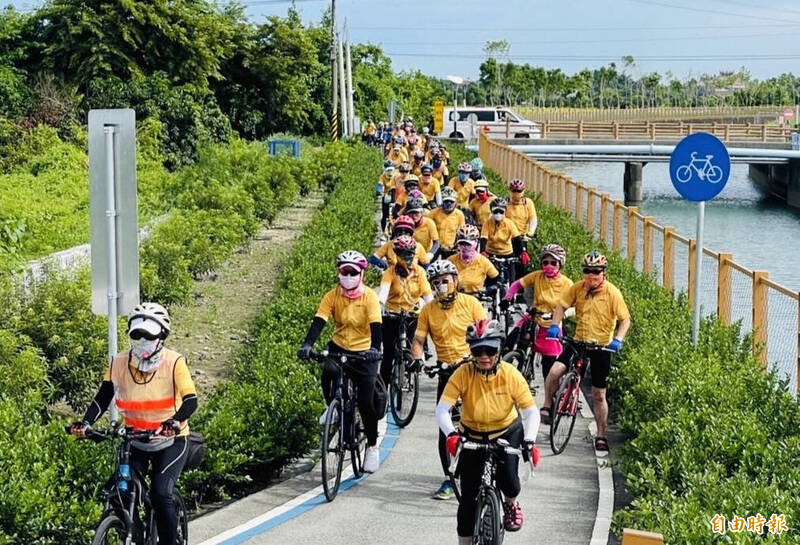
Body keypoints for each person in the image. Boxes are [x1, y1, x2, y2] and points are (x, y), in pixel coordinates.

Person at [70, 303, 198, 545]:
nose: (141, 340)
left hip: (170, 440)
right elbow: (103, 397)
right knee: (119, 492)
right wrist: (86, 423)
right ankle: (135, 535)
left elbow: (191, 401)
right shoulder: (119, 362)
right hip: (136, 440)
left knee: (160, 493)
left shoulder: (174, 362)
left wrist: (175, 421)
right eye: (136, 335)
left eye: (148, 335)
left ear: (162, 336)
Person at [436, 318, 540, 541]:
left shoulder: (511, 374)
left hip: (506, 431)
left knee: (510, 481)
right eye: (478, 351)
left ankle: (511, 504)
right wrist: (452, 434)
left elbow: (531, 412)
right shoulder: (463, 373)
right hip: (471, 434)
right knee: (467, 503)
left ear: (499, 349)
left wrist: (529, 441)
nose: (484, 357)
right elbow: (442, 410)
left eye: (490, 351)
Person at [298, 251, 384, 472]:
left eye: (352, 272)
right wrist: (307, 345)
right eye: (343, 272)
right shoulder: (332, 295)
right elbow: (319, 321)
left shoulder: (369, 298)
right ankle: (332, 406)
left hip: (364, 353)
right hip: (339, 346)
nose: (347, 276)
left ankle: (372, 447)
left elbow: (376, 326)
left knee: (366, 403)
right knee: (327, 372)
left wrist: (375, 349)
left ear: (361, 274)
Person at [411, 260, 487, 500]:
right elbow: (418, 342)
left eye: (446, 280)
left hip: (472, 371)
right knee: (445, 428)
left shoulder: (471, 304)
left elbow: (486, 332)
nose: (442, 285)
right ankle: (449, 477)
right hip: (447, 372)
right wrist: (418, 360)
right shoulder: (428, 311)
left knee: (482, 421)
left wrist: (479, 356)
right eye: (436, 283)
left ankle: (485, 468)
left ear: (455, 280)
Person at [544, 251, 631, 453]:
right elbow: (561, 306)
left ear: (603, 273)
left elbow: (625, 319)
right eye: (587, 271)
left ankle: (601, 435)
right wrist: (556, 324)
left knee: (599, 395)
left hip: (601, 346)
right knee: (555, 372)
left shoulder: (612, 293)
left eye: (595, 272)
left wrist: (618, 339)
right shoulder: (577, 288)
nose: (590, 276)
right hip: (578, 342)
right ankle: (548, 406)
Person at [503, 244, 573, 382]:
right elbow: (517, 284)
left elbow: (575, 306)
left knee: (549, 368)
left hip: (552, 325)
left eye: (553, 263)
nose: (549, 266)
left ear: (560, 264)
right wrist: (508, 298)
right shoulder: (537, 276)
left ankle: (551, 397)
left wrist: (563, 314)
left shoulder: (567, 283)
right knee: (510, 341)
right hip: (534, 318)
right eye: (545, 262)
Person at [377, 236, 433, 386]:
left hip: (412, 314)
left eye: (410, 254)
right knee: (388, 354)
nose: (407, 257)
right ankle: (383, 390)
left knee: (412, 345)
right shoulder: (390, 273)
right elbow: (383, 292)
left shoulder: (419, 272)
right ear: (396, 254)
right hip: (392, 314)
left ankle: (412, 371)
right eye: (403, 254)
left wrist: (434, 310)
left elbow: (428, 296)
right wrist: (380, 304)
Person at [479, 198, 529, 284]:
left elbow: (517, 238)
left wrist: (523, 252)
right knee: (489, 281)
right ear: (491, 211)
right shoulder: (487, 223)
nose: (498, 214)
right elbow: (483, 238)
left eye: (501, 211)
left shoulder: (509, 223)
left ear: (505, 211)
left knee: (512, 280)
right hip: (491, 253)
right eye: (495, 211)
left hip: (507, 254)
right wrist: (483, 251)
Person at [447, 224, 499, 294]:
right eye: (461, 244)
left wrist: (488, 289)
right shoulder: (450, 261)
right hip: (456, 298)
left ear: (476, 243)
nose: (464, 247)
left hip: (476, 298)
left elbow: (495, 278)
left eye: (468, 245)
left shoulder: (483, 261)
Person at [505, 178, 538, 278]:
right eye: (514, 191)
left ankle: (519, 288)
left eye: (519, 191)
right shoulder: (505, 202)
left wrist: (531, 232)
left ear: (523, 191)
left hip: (522, 238)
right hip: (508, 238)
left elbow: (533, 219)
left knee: (521, 263)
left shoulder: (527, 203)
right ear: (510, 191)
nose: (516, 194)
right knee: (507, 262)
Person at [428, 187, 465, 258]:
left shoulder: (459, 214)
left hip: (451, 249)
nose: (449, 204)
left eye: (451, 202)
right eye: (446, 201)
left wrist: (457, 247)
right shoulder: (433, 213)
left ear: (456, 202)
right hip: (435, 248)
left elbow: (461, 232)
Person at [405, 197, 439, 263]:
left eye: (417, 213)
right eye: (411, 213)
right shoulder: (404, 223)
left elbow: (436, 242)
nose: (414, 216)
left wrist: (431, 254)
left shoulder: (429, 223)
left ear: (422, 212)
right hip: (409, 256)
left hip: (425, 255)